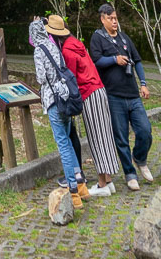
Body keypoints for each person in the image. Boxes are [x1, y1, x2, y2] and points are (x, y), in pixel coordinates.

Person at [45, 14, 119, 197]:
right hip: (99, 90)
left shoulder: (67, 52)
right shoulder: (77, 44)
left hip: (88, 93)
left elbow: (69, 79)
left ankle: (102, 184)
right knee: (104, 136)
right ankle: (108, 180)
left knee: (96, 138)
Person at [88, 3, 153, 191]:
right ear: (102, 19)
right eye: (110, 18)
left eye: (116, 18)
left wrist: (143, 83)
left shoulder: (124, 38)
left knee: (145, 130)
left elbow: (137, 61)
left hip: (132, 94)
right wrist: (114, 60)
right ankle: (130, 173)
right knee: (121, 137)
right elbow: (96, 61)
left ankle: (140, 158)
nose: (114, 22)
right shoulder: (97, 38)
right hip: (114, 95)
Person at [29, 17, 89, 207]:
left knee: (62, 143)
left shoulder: (39, 50)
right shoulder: (53, 45)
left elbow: (41, 77)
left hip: (53, 100)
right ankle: (81, 185)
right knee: (69, 143)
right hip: (65, 97)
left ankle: (72, 192)